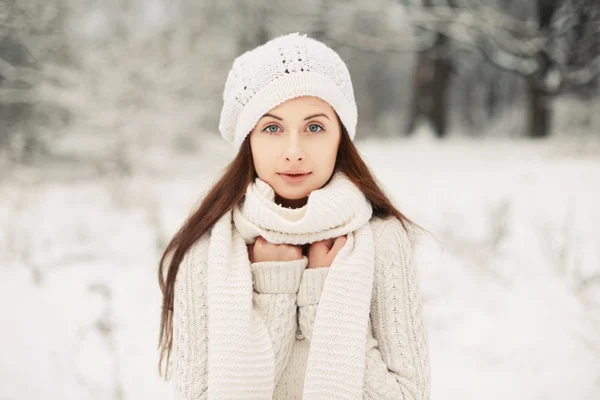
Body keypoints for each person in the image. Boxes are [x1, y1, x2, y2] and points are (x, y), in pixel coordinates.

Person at [157, 32, 431, 399]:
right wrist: (274, 294)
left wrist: (322, 302)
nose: (294, 151)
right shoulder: (206, 251)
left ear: (341, 138)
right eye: (272, 128)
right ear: (248, 140)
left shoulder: (382, 240)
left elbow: (409, 395)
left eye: (314, 127)